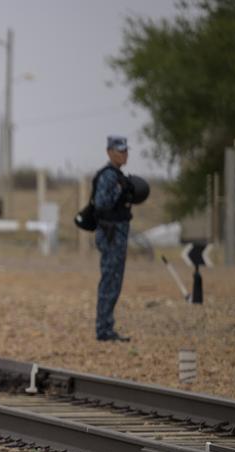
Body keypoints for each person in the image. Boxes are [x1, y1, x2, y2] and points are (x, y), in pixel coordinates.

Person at [93, 136, 134, 342]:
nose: (124, 154)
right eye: (120, 150)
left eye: (126, 150)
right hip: (110, 236)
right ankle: (103, 329)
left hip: (118, 236)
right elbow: (101, 203)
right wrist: (119, 191)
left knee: (115, 281)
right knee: (109, 281)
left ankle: (107, 327)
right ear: (109, 152)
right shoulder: (109, 176)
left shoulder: (118, 176)